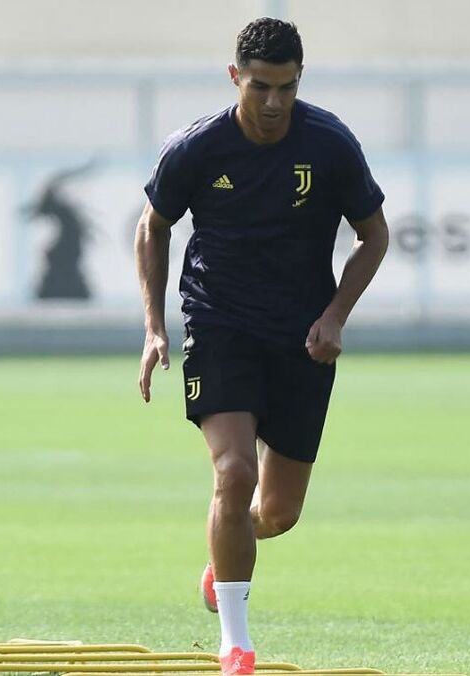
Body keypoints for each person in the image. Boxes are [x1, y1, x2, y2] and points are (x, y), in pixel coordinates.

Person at [135, 18, 389, 675]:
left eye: (287, 87)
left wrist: (335, 316)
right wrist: (155, 326)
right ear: (235, 78)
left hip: (302, 340)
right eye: (260, 87)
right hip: (219, 326)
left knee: (275, 513)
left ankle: (223, 552)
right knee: (234, 472)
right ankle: (236, 644)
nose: (274, 102)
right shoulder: (197, 148)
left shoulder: (329, 143)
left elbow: (374, 235)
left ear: (300, 81)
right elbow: (152, 227)